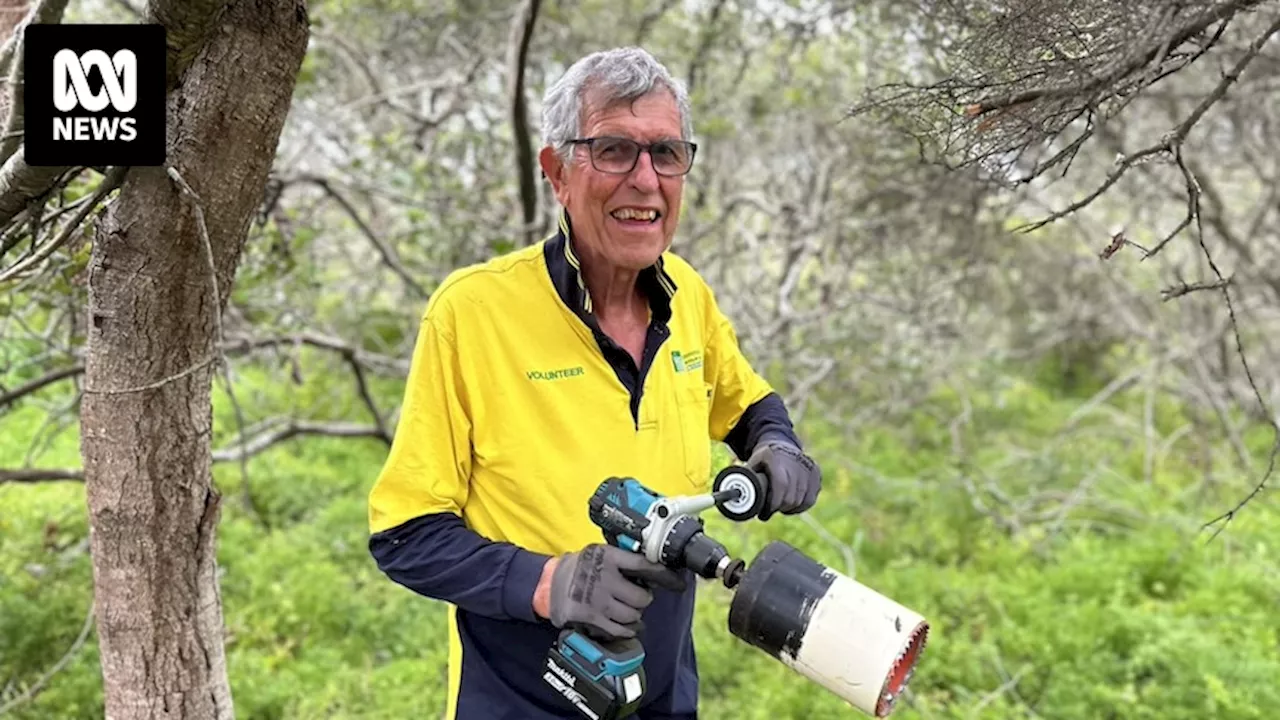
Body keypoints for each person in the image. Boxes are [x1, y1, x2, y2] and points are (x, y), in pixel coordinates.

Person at [366, 46, 823, 720]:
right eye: (614, 150)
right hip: (521, 699)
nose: (646, 180)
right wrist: (550, 582)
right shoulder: (473, 313)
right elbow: (405, 535)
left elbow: (747, 403)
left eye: (666, 154)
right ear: (556, 172)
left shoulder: (687, 294)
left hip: (663, 690)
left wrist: (777, 444)